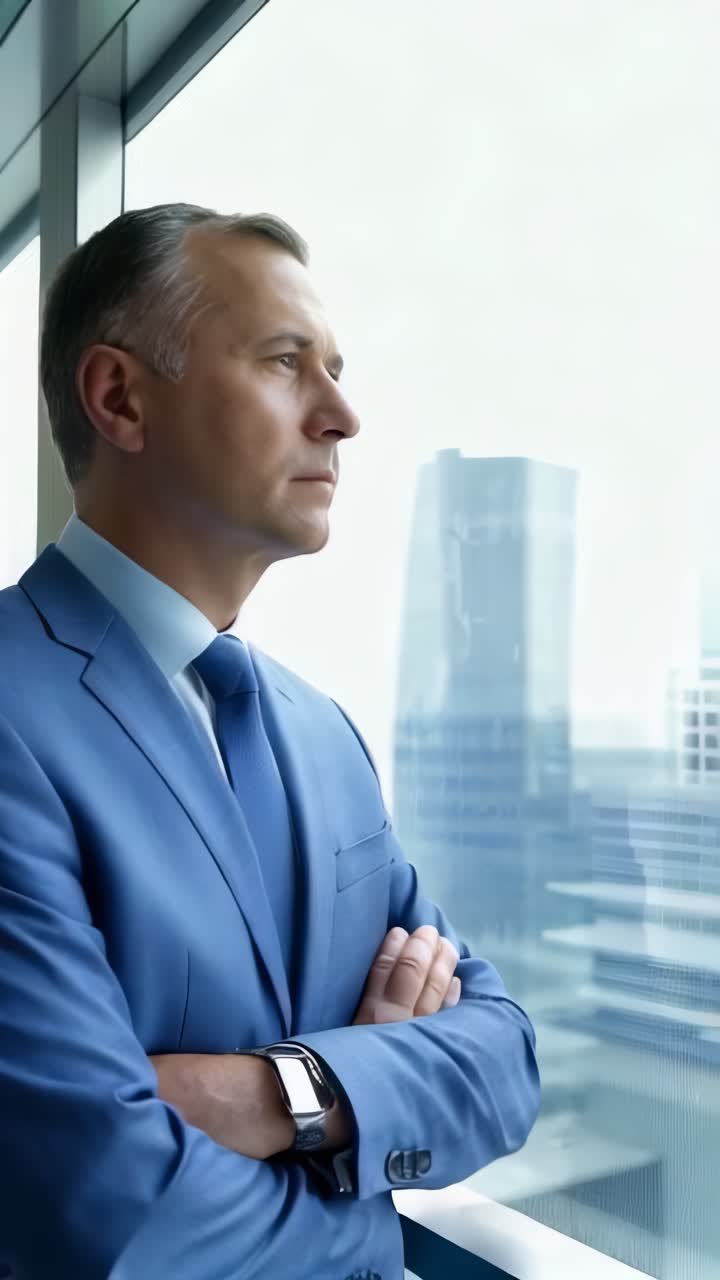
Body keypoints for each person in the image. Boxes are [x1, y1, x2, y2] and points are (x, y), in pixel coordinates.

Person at [0, 203, 539, 1280]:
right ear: (119, 398)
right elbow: (112, 1216)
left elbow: (504, 1061)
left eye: (333, 368)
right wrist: (364, 1186)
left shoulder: (323, 734)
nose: (342, 415)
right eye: (287, 363)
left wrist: (286, 1092)